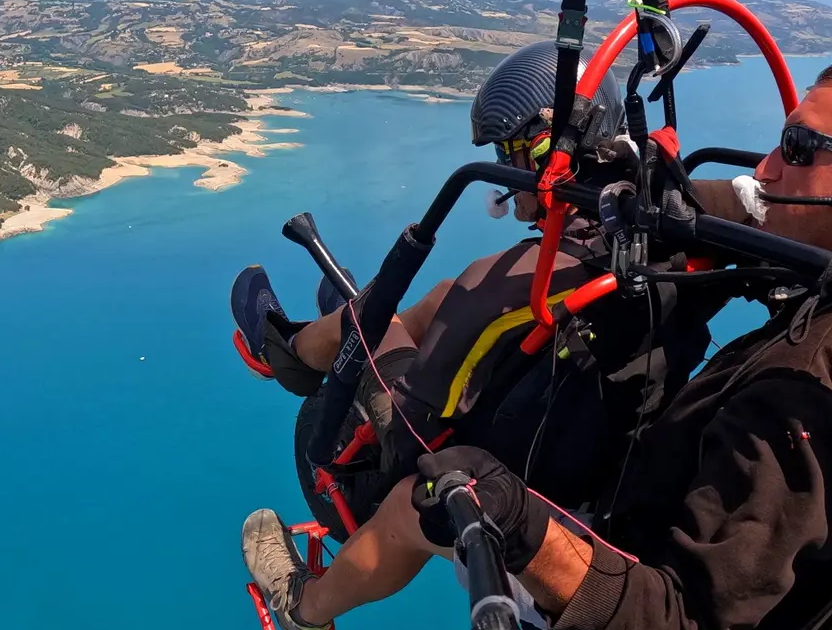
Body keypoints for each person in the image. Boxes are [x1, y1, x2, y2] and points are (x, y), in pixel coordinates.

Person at [243, 55, 832, 630]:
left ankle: (303, 604)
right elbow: (742, 215)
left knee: (418, 496)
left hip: (639, 616)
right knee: (424, 306)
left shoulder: (803, 396)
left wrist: (516, 519)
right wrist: (654, 203)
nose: (764, 167)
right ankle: (311, 345)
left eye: (796, 147)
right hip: (657, 481)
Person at [230, 44, 710, 512]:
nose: (503, 171)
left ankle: (289, 353)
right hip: (584, 453)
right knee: (442, 296)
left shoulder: (504, 284)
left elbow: (408, 431)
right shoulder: (656, 239)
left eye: (507, 153)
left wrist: (376, 331)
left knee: (372, 321)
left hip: (472, 459)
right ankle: (340, 325)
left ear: (543, 151)